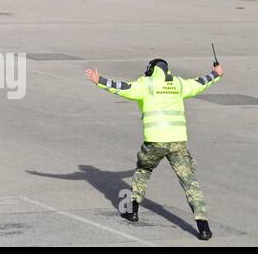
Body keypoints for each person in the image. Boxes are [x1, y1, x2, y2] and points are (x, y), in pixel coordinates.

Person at [84, 58, 223, 240]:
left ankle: (132, 211)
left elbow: (123, 87)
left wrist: (99, 80)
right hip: (177, 142)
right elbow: (200, 82)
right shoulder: (179, 84)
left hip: (154, 142)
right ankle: (203, 227)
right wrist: (216, 74)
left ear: (150, 70)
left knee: (143, 169)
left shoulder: (146, 84)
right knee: (189, 182)